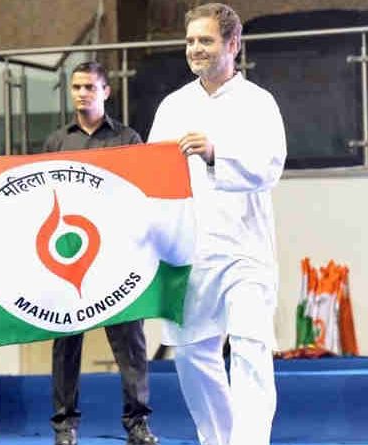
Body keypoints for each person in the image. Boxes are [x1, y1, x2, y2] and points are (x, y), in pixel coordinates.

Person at [147, 3, 287, 445]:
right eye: (190, 41)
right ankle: (219, 438)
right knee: (190, 353)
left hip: (245, 248)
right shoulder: (172, 106)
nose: (195, 49)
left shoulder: (258, 103)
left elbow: (270, 167)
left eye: (205, 40)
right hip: (190, 251)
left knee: (249, 347)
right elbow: (150, 174)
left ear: (233, 44)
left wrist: (215, 154)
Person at [43, 61, 157, 445]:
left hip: (117, 257)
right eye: (76, 87)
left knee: (131, 343)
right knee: (65, 345)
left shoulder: (129, 138)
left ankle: (137, 424)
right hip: (68, 256)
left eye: (90, 87)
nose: (81, 93)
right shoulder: (56, 142)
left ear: (106, 92)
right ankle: (65, 427)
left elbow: (144, 194)